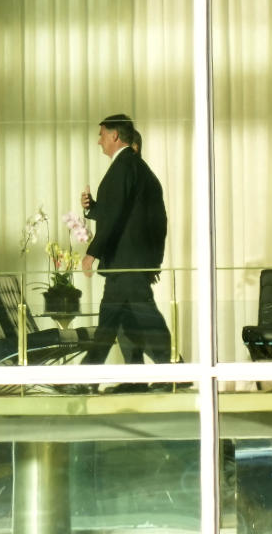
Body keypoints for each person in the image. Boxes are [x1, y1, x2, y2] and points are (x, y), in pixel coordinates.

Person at [80, 115, 170, 372]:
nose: (99, 141)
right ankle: (148, 375)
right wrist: (93, 209)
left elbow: (117, 215)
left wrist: (92, 253)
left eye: (101, 135)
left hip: (126, 264)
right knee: (120, 325)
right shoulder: (134, 167)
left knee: (123, 324)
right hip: (130, 263)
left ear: (114, 136)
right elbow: (126, 214)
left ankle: (175, 372)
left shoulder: (124, 166)